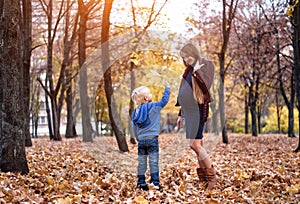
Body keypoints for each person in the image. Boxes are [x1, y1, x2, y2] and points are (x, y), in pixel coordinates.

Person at [175, 43, 216, 190]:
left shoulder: (207, 65)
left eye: (187, 56)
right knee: (199, 145)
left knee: (195, 145)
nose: (186, 59)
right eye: (183, 58)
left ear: (194, 52)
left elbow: (206, 87)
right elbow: (184, 92)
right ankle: (203, 177)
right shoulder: (188, 70)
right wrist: (181, 114)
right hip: (189, 111)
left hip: (198, 110)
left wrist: (197, 73)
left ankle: (212, 178)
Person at [131, 83, 170, 191]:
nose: (151, 94)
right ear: (146, 98)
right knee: (153, 162)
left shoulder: (135, 112)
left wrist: (137, 138)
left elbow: (134, 128)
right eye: (149, 93)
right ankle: (155, 183)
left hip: (141, 140)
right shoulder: (153, 107)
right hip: (152, 139)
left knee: (142, 162)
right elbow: (164, 101)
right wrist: (167, 89)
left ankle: (141, 182)